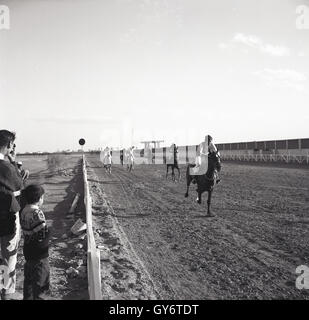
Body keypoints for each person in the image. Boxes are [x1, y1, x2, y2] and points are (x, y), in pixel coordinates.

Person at [0, 130, 24, 300]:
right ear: (9, 145)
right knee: (9, 257)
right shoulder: (6, 166)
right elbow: (19, 185)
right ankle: (7, 293)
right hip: (6, 218)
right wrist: (14, 161)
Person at [20, 184, 51, 300]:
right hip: (39, 255)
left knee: (28, 282)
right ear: (39, 198)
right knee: (41, 284)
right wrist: (50, 233)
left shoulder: (23, 210)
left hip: (28, 251)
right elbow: (42, 235)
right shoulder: (37, 213)